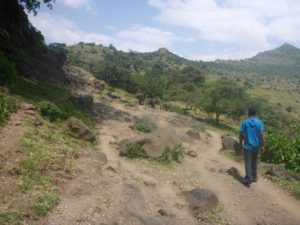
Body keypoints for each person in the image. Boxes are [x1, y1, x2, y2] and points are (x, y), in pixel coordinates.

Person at [239, 107, 265, 188]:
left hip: (247, 146)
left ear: (248, 113)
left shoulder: (244, 123)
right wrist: (263, 145)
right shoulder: (259, 123)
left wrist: (240, 143)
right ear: (255, 113)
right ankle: (254, 177)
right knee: (254, 161)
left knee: (248, 162)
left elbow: (242, 134)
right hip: (256, 146)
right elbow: (262, 135)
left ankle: (248, 180)